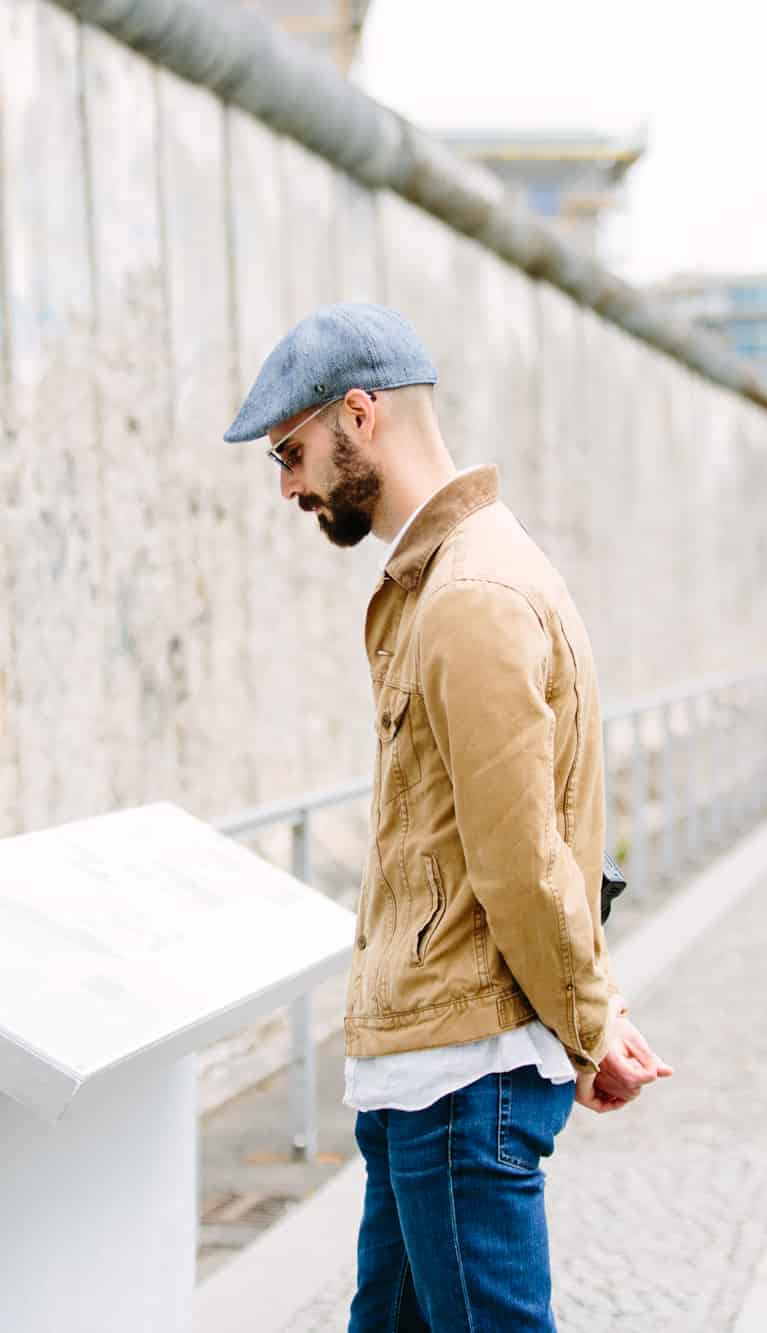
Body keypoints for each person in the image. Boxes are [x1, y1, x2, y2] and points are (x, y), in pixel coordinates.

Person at [227, 302, 673, 1332]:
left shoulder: (468, 593)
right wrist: (587, 1004)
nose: (287, 484)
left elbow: (519, 860)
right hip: (426, 1072)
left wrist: (591, 1019)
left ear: (360, 413)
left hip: (459, 1079)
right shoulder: (456, 574)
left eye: (290, 452)